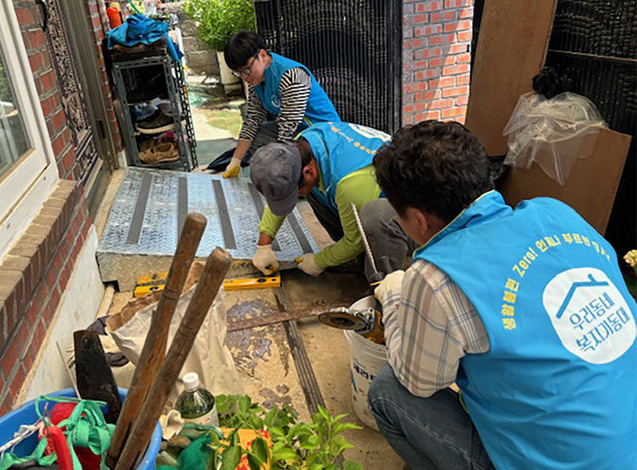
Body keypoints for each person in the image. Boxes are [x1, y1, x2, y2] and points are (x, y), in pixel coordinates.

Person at [367, 120, 637, 470]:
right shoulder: (557, 213)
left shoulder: (436, 276)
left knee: (388, 391)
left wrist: (394, 297)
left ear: (419, 220)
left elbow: (417, 381)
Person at [249, 121, 415, 281]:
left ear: (309, 171)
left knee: (374, 219)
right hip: (357, 191)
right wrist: (264, 244)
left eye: (294, 193)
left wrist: (319, 261)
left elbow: (354, 241)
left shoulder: (350, 183)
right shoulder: (305, 144)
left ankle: (382, 284)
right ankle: (353, 258)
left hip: (414, 222)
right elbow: (282, 187)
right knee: (312, 189)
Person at [210, 31, 341, 178]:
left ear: (263, 55)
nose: (244, 77)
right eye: (238, 73)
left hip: (323, 136)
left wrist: (277, 170)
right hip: (300, 132)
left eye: (246, 70)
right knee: (260, 135)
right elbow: (252, 121)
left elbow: (287, 131)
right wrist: (236, 160)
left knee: (279, 157)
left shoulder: (291, 76)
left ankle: (299, 183)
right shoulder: (256, 81)